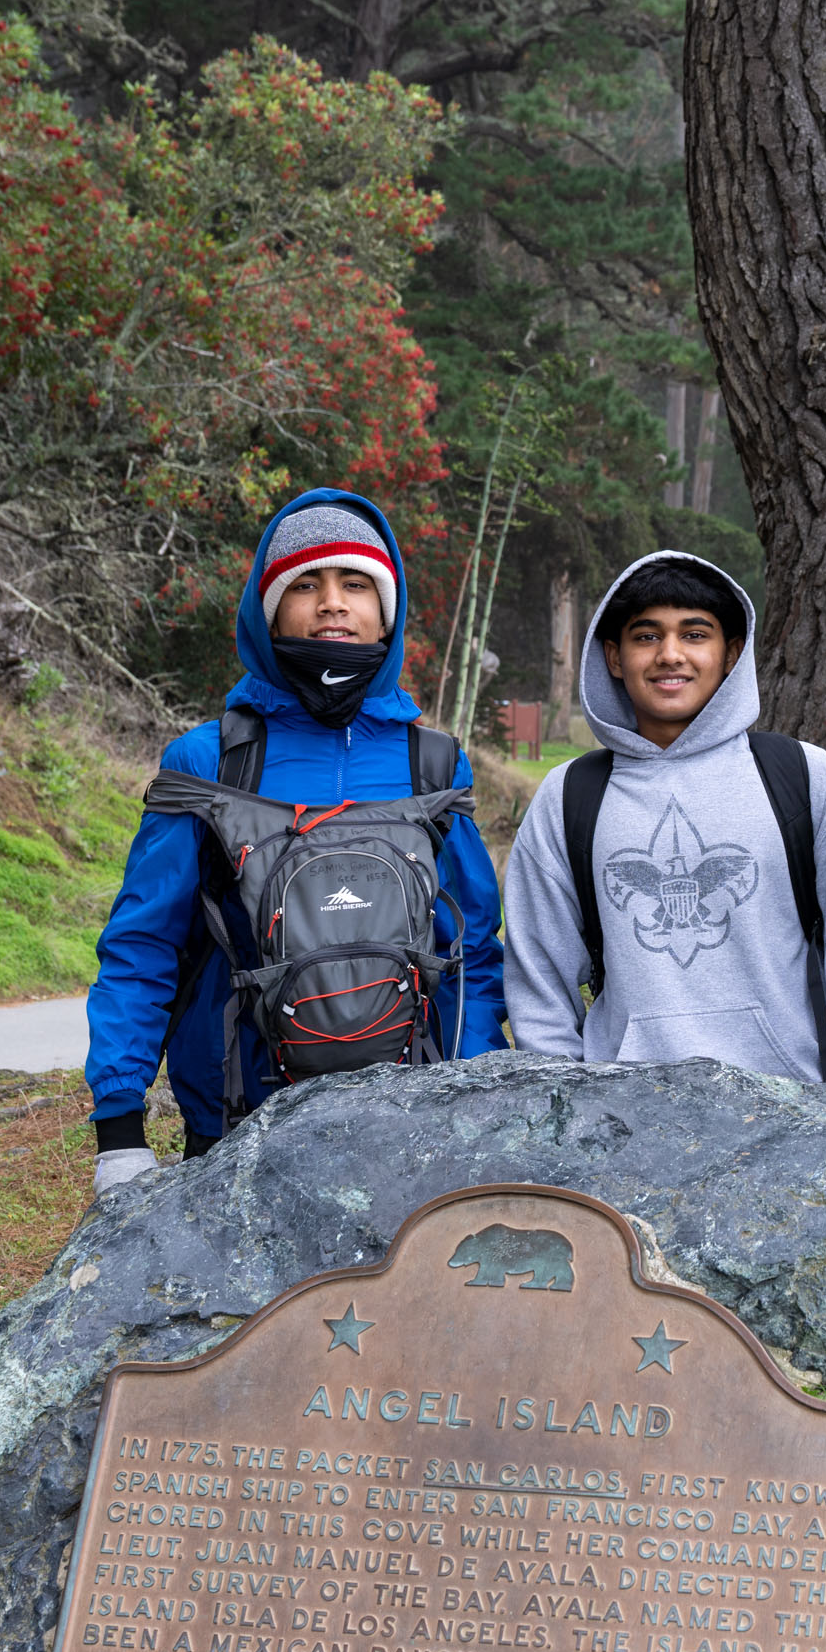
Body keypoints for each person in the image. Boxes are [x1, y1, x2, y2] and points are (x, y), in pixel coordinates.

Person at [84, 490, 505, 1193]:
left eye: (356, 583)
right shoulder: (210, 762)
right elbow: (144, 947)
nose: (332, 603)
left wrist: (475, 1098)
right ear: (269, 607)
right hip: (236, 1133)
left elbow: (472, 953)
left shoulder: (431, 764)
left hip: (414, 1129)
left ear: (386, 610)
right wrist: (120, 1131)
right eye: (306, 584)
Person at [502, 551, 826, 1078]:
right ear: (614, 657)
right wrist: (565, 1103)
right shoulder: (568, 797)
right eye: (647, 636)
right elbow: (539, 980)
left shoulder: (805, 778)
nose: (670, 654)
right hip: (623, 1112)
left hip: (791, 1101)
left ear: (731, 653)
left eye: (695, 634)